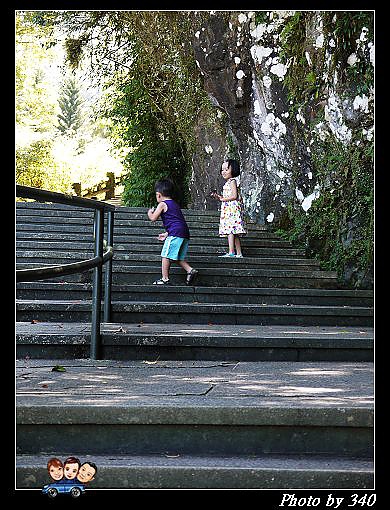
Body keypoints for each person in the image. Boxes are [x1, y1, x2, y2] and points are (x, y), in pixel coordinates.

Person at [147, 179, 198, 285]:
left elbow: (153, 218)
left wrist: (150, 212)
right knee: (176, 256)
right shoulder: (174, 204)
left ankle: (165, 279)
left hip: (176, 232)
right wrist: (167, 234)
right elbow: (176, 221)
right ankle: (190, 270)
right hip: (183, 233)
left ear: (159, 195)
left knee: (165, 255)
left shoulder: (162, 204)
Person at [210, 159, 246, 257]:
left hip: (232, 209)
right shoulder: (229, 182)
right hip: (230, 208)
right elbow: (228, 197)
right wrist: (219, 197)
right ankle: (239, 253)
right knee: (234, 231)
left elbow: (235, 196)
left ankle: (231, 252)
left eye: (226, 169)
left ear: (233, 170)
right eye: (222, 170)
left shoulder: (232, 181)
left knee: (230, 230)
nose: (223, 172)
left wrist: (223, 200)